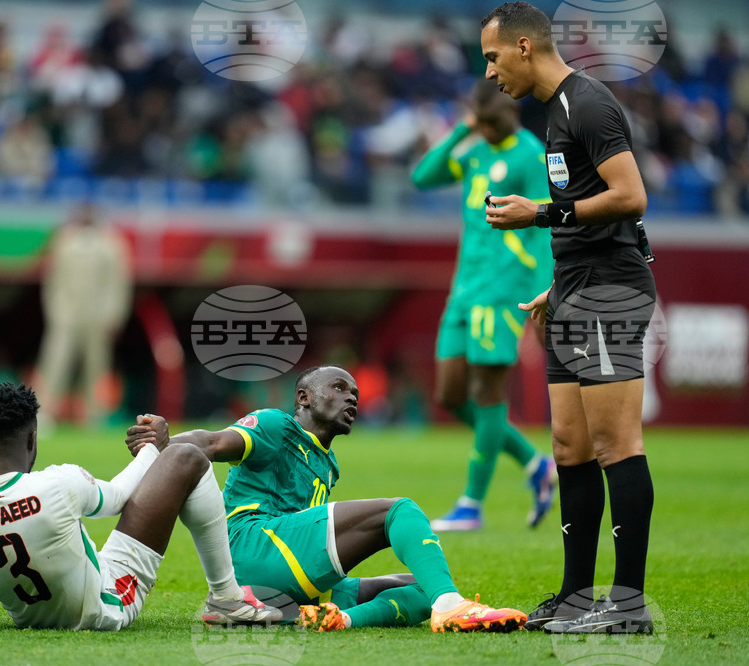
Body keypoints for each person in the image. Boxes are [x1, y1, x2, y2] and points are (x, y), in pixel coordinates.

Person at [480, 2, 657, 634]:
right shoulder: (555, 110)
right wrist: (556, 286)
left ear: (524, 47)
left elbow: (630, 196)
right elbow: (588, 206)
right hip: (575, 288)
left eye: (493, 57)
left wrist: (538, 214)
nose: (490, 72)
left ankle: (628, 606)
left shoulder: (586, 103)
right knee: (569, 444)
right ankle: (576, 596)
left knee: (615, 444)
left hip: (610, 289)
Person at [124, 366, 527, 633]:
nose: (352, 398)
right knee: (399, 511)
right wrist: (164, 443)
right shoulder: (276, 426)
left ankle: (338, 619)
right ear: (303, 397)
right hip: (256, 550)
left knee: (423, 586)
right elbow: (211, 442)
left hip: (289, 575)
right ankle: (452, 606)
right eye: (338, 388)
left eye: (355, 393)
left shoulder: (328, 463)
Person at [0, 383, 281, 630]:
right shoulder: (57, 483)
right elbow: (117, 499)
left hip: (32, 617)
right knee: (186, 456)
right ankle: (227, 597)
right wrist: (153, 446)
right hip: (106, 606)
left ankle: (227, 598)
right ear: (33, 438)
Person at [412, 78, 557, 532]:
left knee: (488, 393)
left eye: (492, 122)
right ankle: (536, 464)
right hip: (464, 290)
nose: (488, 130)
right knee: (450, 395)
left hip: (504, 289)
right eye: (482, 123)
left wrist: (544, 292)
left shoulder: (530, 155)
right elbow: (423, 176)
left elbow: (544, 229)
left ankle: (471, 504)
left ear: (512, 112)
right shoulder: (475, 150)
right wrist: (463, 129)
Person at [34, 204, 132, 429]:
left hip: (98, 315)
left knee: (96, 367)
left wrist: (113, 315)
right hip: (67, 314)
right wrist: (56, 312)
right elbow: (54, 282)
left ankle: (95, 416)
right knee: (55, 363)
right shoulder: (64, 241)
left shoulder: (111, 243)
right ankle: (43, 413)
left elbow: (117, 284)